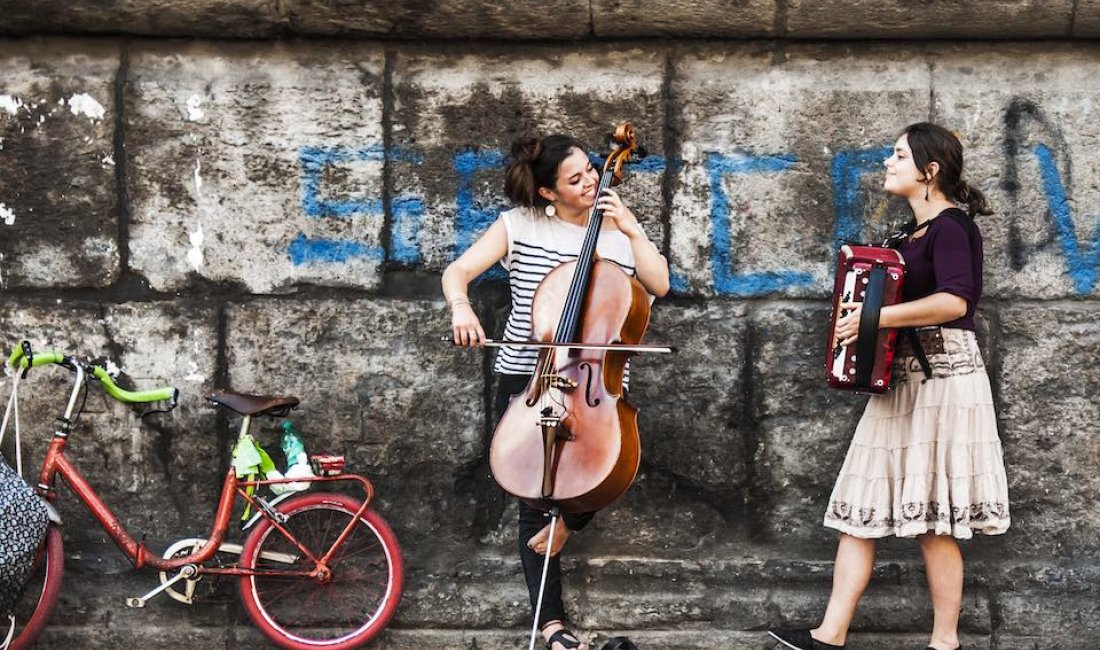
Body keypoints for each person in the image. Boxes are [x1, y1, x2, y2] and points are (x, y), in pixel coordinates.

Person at [769, 123, 1010, 650]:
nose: (887, 162)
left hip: (946, 380)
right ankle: (828, 636)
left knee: (934, 522)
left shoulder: (952, 227)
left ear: (930, 170)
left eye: (898, 155)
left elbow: (956, 303)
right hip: (902, 380)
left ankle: (945, 643)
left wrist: (877, 316)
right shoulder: (907, 236)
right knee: (859, 506)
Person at [442, 133, 670, 650]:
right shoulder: (518, 226)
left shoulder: (615, 232)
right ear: (548, 193)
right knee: (529, 492)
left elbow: (660, 285)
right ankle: (553, 629)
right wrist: (461, 306)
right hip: (529, 376)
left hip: (596, 379)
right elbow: (458, 271)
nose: (591, 180)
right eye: (575, 178)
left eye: (591, 170)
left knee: (603, 467)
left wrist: (631, 227)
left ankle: (568, 520)